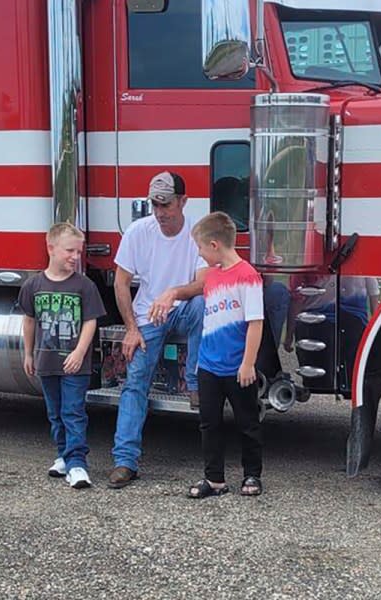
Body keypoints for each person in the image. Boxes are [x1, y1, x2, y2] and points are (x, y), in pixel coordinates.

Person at [109, 171, 207, 489]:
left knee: (204, 304)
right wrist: (131, 329)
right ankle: (125, 462)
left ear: (183, 201)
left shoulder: (196, 232)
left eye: (166, 204)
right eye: (155, 204)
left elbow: (203, 282)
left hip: (181, 309)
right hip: (147, 317)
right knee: (135, 383)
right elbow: (121, 283)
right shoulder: (139, 231)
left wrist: (173, 293)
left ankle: (194, 383)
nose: (160, 212)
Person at [18, 223, 106, 489]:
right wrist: (29, 355)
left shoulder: (84, 285)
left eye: (78, 252)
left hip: (74, 364)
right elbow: (29, 320)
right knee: (55, 413)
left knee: (73, 411)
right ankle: (63, 455)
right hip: (46, 362)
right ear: (51, 248)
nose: (75, 257)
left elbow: (90, 322)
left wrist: (80, 352)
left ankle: (78, 464)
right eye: (70, 251)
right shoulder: (33, 285)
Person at [187, 212, 265, 499]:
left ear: (215, 245)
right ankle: (214, 478)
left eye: (201, 248)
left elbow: (255, 323)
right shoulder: (212, 277)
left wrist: (248, 363)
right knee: (209, 423)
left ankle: (252, 474)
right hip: (208, 364)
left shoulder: (248, 277)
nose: (199, 253)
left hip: (237, 366)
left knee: (247, 422)